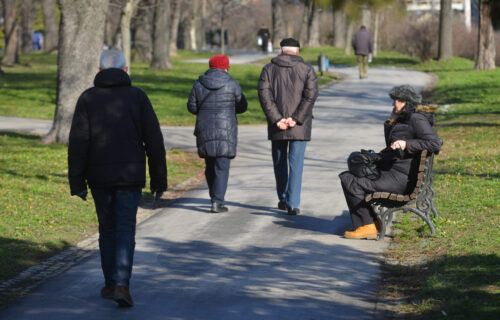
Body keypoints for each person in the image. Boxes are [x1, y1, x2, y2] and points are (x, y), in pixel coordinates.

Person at [68, 50, 167, 307]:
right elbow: (154, 142)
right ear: (126, 70)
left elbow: (78, 143)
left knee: (107, 228)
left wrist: (77, 182)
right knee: (125, 228)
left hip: (98, 176)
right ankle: (122, 283)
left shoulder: (88, 98)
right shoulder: (137, 97)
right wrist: (158, 180)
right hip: (130, 175)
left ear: (99, 72)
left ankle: (111, 283)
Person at [339, 85, 442, 239]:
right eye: (394, 99)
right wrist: (391, 122)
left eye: (399, 100)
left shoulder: (416, 118)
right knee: (353, 172)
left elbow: (435, 143)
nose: (395, 103)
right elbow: (390, 145)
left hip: (400, 180)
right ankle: (372, 222)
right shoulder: (407, 118)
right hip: (396, 174)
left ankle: (366, 226)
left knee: (349, 179)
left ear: (408, 102)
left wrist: (407, 144)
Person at [258, 38, 319, 215]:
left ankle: (283, 198)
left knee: (279, 162)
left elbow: (264, 95)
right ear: (297, 51)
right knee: (296, 163)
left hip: (277, 125)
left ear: (281, 50)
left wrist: (277, 119)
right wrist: (296, 119)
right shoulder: (307, 69)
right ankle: (293, 203)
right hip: (300, 125)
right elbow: (310, 96)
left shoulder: (268, 69)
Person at [187, 55, 247, 213]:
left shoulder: (199, 83)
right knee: (222, 165)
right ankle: (217, 201)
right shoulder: (232, 83)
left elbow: (192, 107)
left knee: (210, 164)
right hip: (226, 129)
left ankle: (213, 196)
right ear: (226, 67)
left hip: (204, 128)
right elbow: (242, 106)